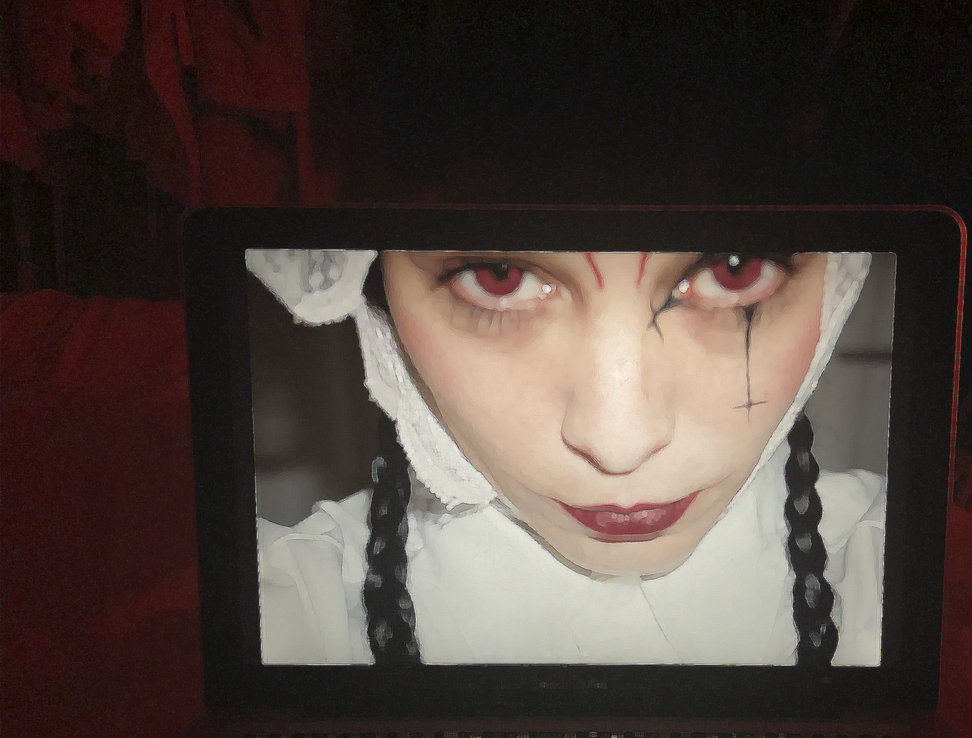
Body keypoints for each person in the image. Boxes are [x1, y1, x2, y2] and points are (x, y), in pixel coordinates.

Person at [249, 247, 884, 667]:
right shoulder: (280, 624)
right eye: (500, 275)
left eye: (733, 270)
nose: (619, 444)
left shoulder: (907, 593)